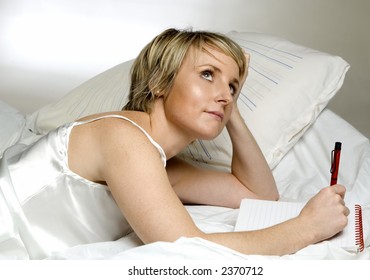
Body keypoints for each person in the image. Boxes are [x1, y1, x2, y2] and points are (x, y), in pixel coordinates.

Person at [0, 28, 349, 259]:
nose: (223, 94)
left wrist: (233, 110)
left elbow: (258, 193)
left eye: (232, 85)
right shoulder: (125, 139)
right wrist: (306, 228)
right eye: (208, 75)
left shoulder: (162, 162)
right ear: (159, 81)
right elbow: (186, 248)